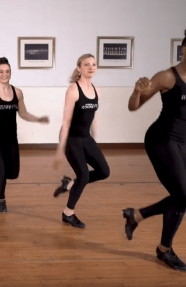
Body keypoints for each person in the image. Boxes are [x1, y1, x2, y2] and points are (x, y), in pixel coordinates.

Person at [123, 24, 186, 272]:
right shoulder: (167, 76)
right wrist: (135, 91)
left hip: (182, 142)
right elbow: (134, 106)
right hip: (160, 140)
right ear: (183, 49)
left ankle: (137, 215)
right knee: (183, 198)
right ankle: (164, 250)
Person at [0, 57, 49, 212]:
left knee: (13, 174)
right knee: (2, 171)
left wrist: (38, 119)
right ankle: (2, 199)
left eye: (7, 71)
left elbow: (23, 113)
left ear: (10, 73)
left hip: (10, 138)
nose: (4, 74)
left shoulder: (17, 93)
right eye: (1, 71)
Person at [53, 54, 110, 229]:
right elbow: (66, 121)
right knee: (84, 175)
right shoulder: (73, 90)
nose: (91, 67)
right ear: (79, 68)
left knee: (104, 171)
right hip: (72, 139)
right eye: (86, 65)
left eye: (93, 64)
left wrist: (95, 137)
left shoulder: (96, 89)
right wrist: (61, 148)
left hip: (86, 138)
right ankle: (68, 213)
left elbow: (94, 116)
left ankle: (69, 184)